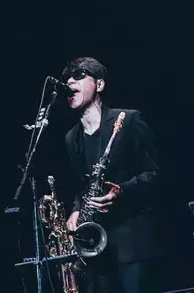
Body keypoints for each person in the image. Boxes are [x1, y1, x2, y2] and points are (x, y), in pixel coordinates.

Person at [62, 56, 168, 293]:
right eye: (67, 78)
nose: (69, 82)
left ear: (99, 84)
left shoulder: (129, 120)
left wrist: (122, 191)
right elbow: (81, 186)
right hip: (97, 249)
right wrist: (77, 209)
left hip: (133, 244)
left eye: (79, 75)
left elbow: (156, 174)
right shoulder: (71, 138)